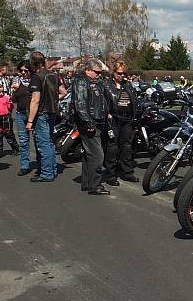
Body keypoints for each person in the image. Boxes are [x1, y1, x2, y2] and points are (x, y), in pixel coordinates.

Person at [72, 59, 110, 195]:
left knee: (90, 154)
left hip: (98, 121)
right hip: (90, 122)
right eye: (97, 72)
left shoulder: (95, 82)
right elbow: (80, 103)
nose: (99, 75)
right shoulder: (81, 81)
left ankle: (88, 183)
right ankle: (95, 185)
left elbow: (101, 100)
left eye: (100, 72)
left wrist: (107, 113)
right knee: (97, 155)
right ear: (88, 70)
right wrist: (88, 122)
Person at [26, 51, 66, 182]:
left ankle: (47, 173)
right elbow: (63, 92)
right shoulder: (54, 75)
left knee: (43, 143)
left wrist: (30, 121)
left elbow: (35, 100)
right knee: (49, 142)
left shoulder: (37, 77)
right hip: (53, 111)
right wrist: (54, 100)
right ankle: (51, 170)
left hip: (42, 112)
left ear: (33, 63)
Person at [104, 61, 139, 184]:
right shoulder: (106, 85)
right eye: (119, 73)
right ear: (113, 72)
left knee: (127, 146)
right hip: (113, 119)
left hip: (127, 119)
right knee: (112, 147)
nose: (122, 76)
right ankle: (110, 175)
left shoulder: (128, 85)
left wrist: (135, 116)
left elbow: (134, 100)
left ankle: (127, 172)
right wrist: (106, 113)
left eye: (124, 73)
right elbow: (102, 101)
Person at [11, 61, 33, 176]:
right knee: (23, 141)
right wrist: (15, 90)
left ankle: (42, 163)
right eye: (21, 70)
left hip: (34, 114)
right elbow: (14, 99)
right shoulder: (18, 81)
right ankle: (25, 165)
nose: (23, 73)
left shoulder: (35, 80)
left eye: (26, 70)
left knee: (38, 141)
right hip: (20, 113)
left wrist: (20, 88)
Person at [0, 84, 20, 157]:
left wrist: (10, 104)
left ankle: (15, 148)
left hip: (6, 117)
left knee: (9, 134)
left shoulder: (6, 98)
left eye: (2, 92)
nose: (1, 93)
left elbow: (10, 108)